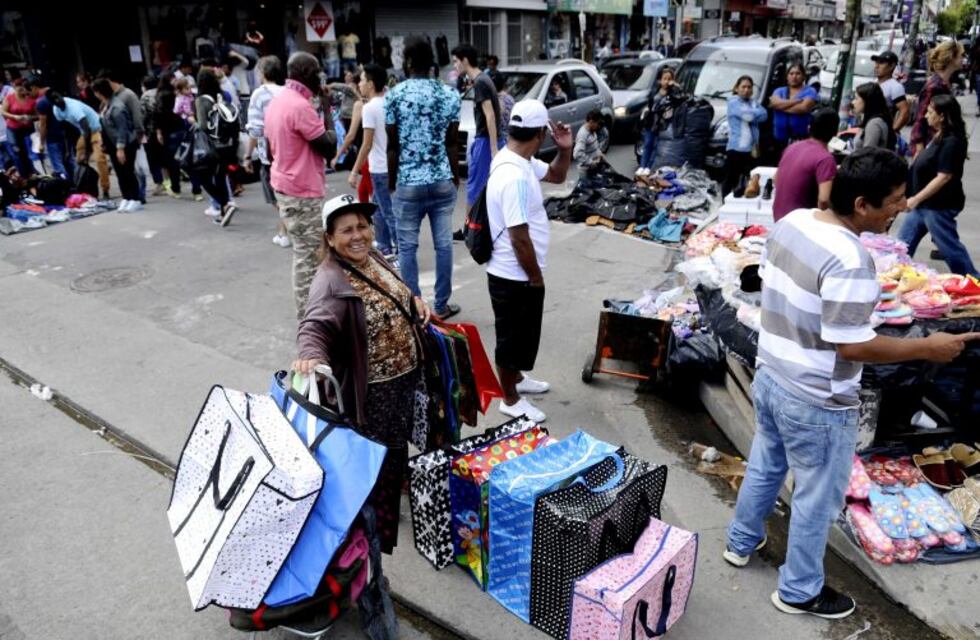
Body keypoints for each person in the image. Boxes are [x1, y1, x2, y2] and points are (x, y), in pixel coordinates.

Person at [724, 146, 980, 620]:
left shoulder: (795, 220)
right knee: (816, 499)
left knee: (766, 463)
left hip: (773, 376)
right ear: (861, 204)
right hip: (816, 399)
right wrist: (929, 347)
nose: (903, 208)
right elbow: (853, 347)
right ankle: (798, 591)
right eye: (895, 200)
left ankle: (740, 543)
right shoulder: (850, 258)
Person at [294, 193, 432, 553]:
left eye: (362, 226)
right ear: (329, 238)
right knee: (374, 460)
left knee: (397, 446)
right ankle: (372, 536)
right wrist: (310, 355)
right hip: (375, 392)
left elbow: (395, 289)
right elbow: (314, 325)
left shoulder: (373, 256)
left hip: (404, 380)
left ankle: (386, 501)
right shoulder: (329, 280)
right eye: (346, 230)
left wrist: (413, 301)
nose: (358, 235)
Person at [485, 100, 572, 424]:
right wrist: (535, 277)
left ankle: (517, 379)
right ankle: (509, 398)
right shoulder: (515, 177)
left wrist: (565, 149)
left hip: (514, 271)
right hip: (513, 274)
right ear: (538, 133)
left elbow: (557, 176)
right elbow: (518, 236)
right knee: (511, 339)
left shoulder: (517, 160)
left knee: (520, 337)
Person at [385, 37, 462, 319]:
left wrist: (392, 181)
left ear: (406, 61)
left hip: (408, 181)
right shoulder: (449, 94)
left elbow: (393, 145)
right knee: (443, 244)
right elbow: (453, 142)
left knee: (407, 246)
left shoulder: (395, 95)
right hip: (442, 179)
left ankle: (414, 308)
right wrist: (454, 177)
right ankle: (441, 306)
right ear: (431, 62)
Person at [264, 51, 336, 317]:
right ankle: (311, 319)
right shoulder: (298, 106)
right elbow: (329, 146)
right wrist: (327, 106)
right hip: (301, 191)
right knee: (308, 257)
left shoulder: (279, 100)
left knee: (307, 253)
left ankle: (313, 313)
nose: (320, 77)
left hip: (286, 185)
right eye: (317, 72)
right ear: (307, 74)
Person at [899, 95, 977, 277]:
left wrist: (916, 198)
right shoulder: (938, 136)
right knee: (902, 245)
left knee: (950, 248)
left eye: (930, 112)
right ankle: (896, 275)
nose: (926, 115)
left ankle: (973, 281)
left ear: (942, 116)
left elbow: (943, 177)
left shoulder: (952, 141)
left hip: (937, 206)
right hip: (923, 204)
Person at [349, 63, 397, 260]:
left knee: (387, 211)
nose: (359, 84)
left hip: (379, 167)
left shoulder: (370, 108)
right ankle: (384, 245)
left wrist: (354, 171)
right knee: (378, 208)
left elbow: (366, 144)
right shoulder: (390, 103)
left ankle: (400, 252)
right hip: (391, 165)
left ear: (370, 83)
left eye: (361, 80)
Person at [453, 43, 501, 213]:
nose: (454, 65)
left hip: (485, 141)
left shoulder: (480, 82)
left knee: (474, 186)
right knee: (481, 186)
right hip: (486, 140)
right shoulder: (483, 79)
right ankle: (472, 228)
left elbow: (490, 115)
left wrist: (493, 148)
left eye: (456, 61)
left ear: (465, 60)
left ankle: (469, 230)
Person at [244, 55, 287, 246]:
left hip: (269, 154)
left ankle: (287, 231)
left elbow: (256, 129)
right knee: (285, 194)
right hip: (289, 152)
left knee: (276, 197)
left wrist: (247, 155)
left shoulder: (259, 94)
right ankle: (283, 231)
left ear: (262, 73)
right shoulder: (287, 91)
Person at [772, 108, 839, 222]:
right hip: (801, 224)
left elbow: (775, 179)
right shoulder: (825, 159)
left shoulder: (792, 147)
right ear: (835, 133)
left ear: (809, 127)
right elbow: (823, 200)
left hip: (779, 218)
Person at [193, 69, 237, 225]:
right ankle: (224, 211)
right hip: (226, 144)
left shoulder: (201, 100)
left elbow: (203, 125)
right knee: (220, 177)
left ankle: (224, 204)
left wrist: (194, 123)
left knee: (203, 177)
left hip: (211, 147)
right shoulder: (223, 95)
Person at [93, 77, 141, 212]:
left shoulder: (117, 106)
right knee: (120, 173)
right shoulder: (105, 105)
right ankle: (126, 197)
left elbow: (122, 129)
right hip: (112, 144)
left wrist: (120, 148)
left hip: (125, 144)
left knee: (127, 171)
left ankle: (135, 199)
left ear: (99, 92)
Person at [50, 91, 110, 193]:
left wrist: (87, 153)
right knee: (79, 159)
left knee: (100, 159)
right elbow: (65, 130)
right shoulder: (56, 110)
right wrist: (68, 150)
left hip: (96, 129)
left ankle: (105, 189)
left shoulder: (74, 108)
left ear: (61, 95)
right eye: (54, 100)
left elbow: (87, 129)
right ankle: (86, 185)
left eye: (58, 97)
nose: (57, 100)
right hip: (84, 133)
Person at [911, 40, 964, 156]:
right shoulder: (935, 86)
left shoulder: (944, 83)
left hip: (939, 142)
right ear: (951, 58)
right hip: (930, 144)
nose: (963, 59)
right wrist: (919, 147)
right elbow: (920, 117)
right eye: (961, 55)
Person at [723, 75, 767, 197]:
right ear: (736, 88)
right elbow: (749, 116)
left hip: (751, 149)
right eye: (743, 87)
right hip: (736, 148)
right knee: (731, 179)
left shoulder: (753, 102)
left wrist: (753, 113)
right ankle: (724, 204)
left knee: (749, 179)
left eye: (749, 87)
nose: (746, 90)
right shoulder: (733, 103)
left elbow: (764, 115)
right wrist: (754, 113)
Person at [27, 76, 73, 180]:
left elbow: (43, 125)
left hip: (53, 136)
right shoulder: (56, 94)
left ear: (34, 87)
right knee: (69, 161)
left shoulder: (42, 102)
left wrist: (41, 143)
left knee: (58, 166)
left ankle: (65, 187)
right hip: (66, 133)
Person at [637, 66, 680, 177]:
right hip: (651, 121)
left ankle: (648, 167)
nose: (666, 81)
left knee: (656, 146)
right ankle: (642, 166)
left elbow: (679, 98)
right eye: (664, 78)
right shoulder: (655, 90)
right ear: (660, 79)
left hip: (661, 123)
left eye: (668, 79)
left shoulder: (672, 92)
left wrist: (674, 86)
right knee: (647, 144)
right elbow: (650, 103)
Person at [768, 64, 818, 158]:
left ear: (803, 76)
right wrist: (795, 102)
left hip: (799, 139)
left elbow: (803, 108)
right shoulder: (779, 91)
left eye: (798, 73)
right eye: (791, 74)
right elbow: (773, 104)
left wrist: (781, 106)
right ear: (787, 76)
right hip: (779, 139)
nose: (794, 76)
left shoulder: (810, 91)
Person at [1, 78, 38, 177]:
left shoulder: (30, 99)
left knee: (28, 151)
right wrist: (15, 117)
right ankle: (23, 174)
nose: (21, 90)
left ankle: (32, 171)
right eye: (18, 88)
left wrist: (30, 117)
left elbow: (38, 115)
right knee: (16, 152)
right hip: (12, 128)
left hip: (27, 129)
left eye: (23, 88)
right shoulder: (10, 97)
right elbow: (3, 112)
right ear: (14, 88)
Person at [139, 75, 167, 196]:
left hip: (150, 132)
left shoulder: (145, 97)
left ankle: (159, 183)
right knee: (165, 156)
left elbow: (143, 116)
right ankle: (169, 181)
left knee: (153, 158)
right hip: (165, 129)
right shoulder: (162, 93)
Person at [870, 50, 910, 132]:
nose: (877, 66)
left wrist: (893, 131)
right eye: (876, 62)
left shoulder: (895, 87)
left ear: (892, 66)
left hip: (881, 131)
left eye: (881, 63)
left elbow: (905, 111)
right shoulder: (874, 84)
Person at [852, 82, 896, 151]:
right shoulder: (873, 120)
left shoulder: (874, 124)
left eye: (856, 98)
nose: (853, 102)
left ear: (867, 101)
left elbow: (867, 155)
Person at [970, 39, 980, 118]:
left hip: (977, 71)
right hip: (977, 71)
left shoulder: (975, 47)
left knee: (979, 91)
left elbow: (972, 58)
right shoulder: (975, 48)